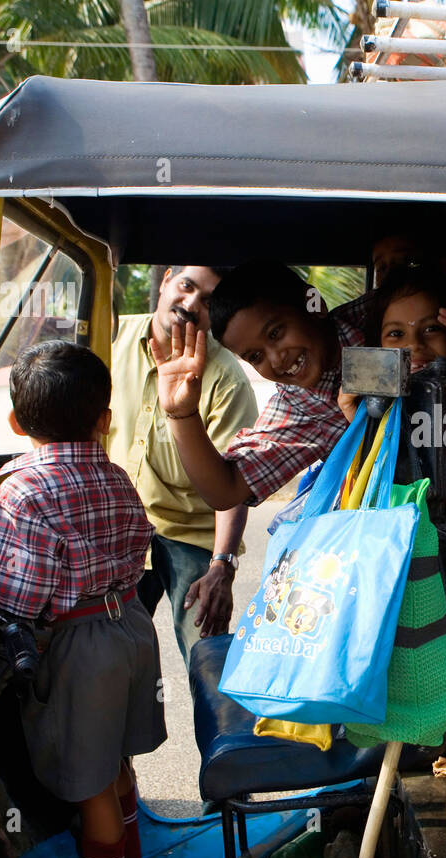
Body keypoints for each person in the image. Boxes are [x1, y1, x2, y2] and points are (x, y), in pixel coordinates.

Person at [0, 341, 165, 858]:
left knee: (87, 783)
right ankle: (132, 856)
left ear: (13, 421)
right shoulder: (117, 477)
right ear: (103, 418)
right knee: (114, 762)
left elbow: (19, 598)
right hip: (131, 630)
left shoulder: (23, 491)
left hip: (81, 651)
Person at [107, 265, 259, 665]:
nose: (191, 304)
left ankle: (220, 726)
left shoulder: (226, 377)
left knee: (206, 656)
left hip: (192, 535)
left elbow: (234, 482)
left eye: (207, 300)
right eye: (186, 287)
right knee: (105, 653)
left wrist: (222, 566)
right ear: (166, 279)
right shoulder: (110, 337)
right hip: (118, 526)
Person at [149, 262, 364, 511]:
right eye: (255, 357)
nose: (276, 359)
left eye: (275, 333)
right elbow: (225, 490)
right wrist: (182, 413)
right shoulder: (301, 408)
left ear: (314, 304)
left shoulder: (381, 316)